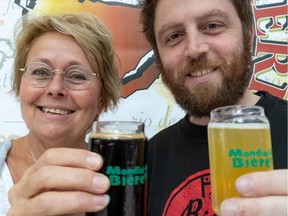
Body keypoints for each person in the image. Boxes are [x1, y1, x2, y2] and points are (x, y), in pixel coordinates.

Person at [140, 0, 287, 215]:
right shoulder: (148, 160)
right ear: (159, 58)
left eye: (212, 26)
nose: (194, 49)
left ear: (248, 35)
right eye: (174, 36)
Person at [0, 13, 121, 215]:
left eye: (77, 76)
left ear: (101, 98)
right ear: (20, 85)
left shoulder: (127, 179)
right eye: (40, 72)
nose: (56, 88)